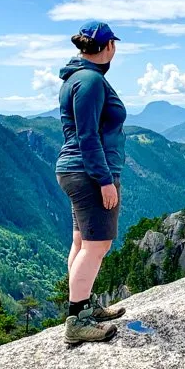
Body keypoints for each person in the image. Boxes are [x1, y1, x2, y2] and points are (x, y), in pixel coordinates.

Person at [55, 20, 128, 345]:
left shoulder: (75, 78)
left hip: (76, 171)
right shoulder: (90, 81)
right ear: (108, 46)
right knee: (97, 246)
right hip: (88, 174)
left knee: (82, 243)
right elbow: (88, 136)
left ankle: (82, 308)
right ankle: (77, 320)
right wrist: (104, 180)